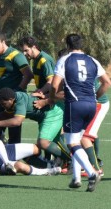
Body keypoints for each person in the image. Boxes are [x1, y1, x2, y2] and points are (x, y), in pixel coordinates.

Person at [49, 34, 111, 192]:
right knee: (77, 139)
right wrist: (95, 97)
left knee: (72, 142)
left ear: (68, 45)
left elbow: (55, 85)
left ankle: (91, 173)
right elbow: (107, 82)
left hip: (74, 105)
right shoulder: (92, 60)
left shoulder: (65, 59)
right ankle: (76, 178)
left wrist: (51, 98)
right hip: (91, 106)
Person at [0, 87, 72, 168]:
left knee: (43, 143)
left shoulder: (19, 100)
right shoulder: (13, 100)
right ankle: (70, 160)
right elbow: (7, 114)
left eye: (3, 103)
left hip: (52, 113)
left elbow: (17, 121)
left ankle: (71, 160)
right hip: (46, 116)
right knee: (55, 141)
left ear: (11, 100)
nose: (2, 106)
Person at [18, 36, 70, 167]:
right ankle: (58, 160)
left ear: (34, 47)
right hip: (49, 100)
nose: (25, 54)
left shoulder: (44, 59)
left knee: (49, 136)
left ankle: (70, 159)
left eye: (26, 50)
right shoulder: (36, 60)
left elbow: (51, 81)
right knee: (51, 135)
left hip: (54, 101)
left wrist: (41, 92)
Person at [0, 31, 34, 144]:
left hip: (13, 99)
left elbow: (28, 75)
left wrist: (17, 91)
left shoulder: (16, 55)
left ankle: (14, 155)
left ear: (4, 42)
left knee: (14, 129)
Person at [80, 79, 110, 177]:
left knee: (84, 137)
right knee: (89, 133)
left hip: (98, 104)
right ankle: (92, 161)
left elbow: (107, 82)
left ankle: (96, 169)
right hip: (89, 104)